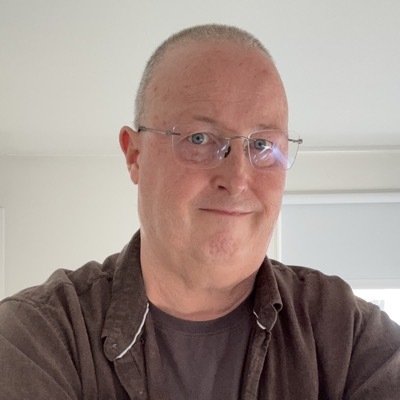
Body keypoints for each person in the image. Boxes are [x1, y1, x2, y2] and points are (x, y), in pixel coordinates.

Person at [0, 24, 399, 400]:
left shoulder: (347, 334)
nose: (237, 179)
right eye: (199, 138)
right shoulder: (39, 337)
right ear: (135, 155)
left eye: (262, 144)